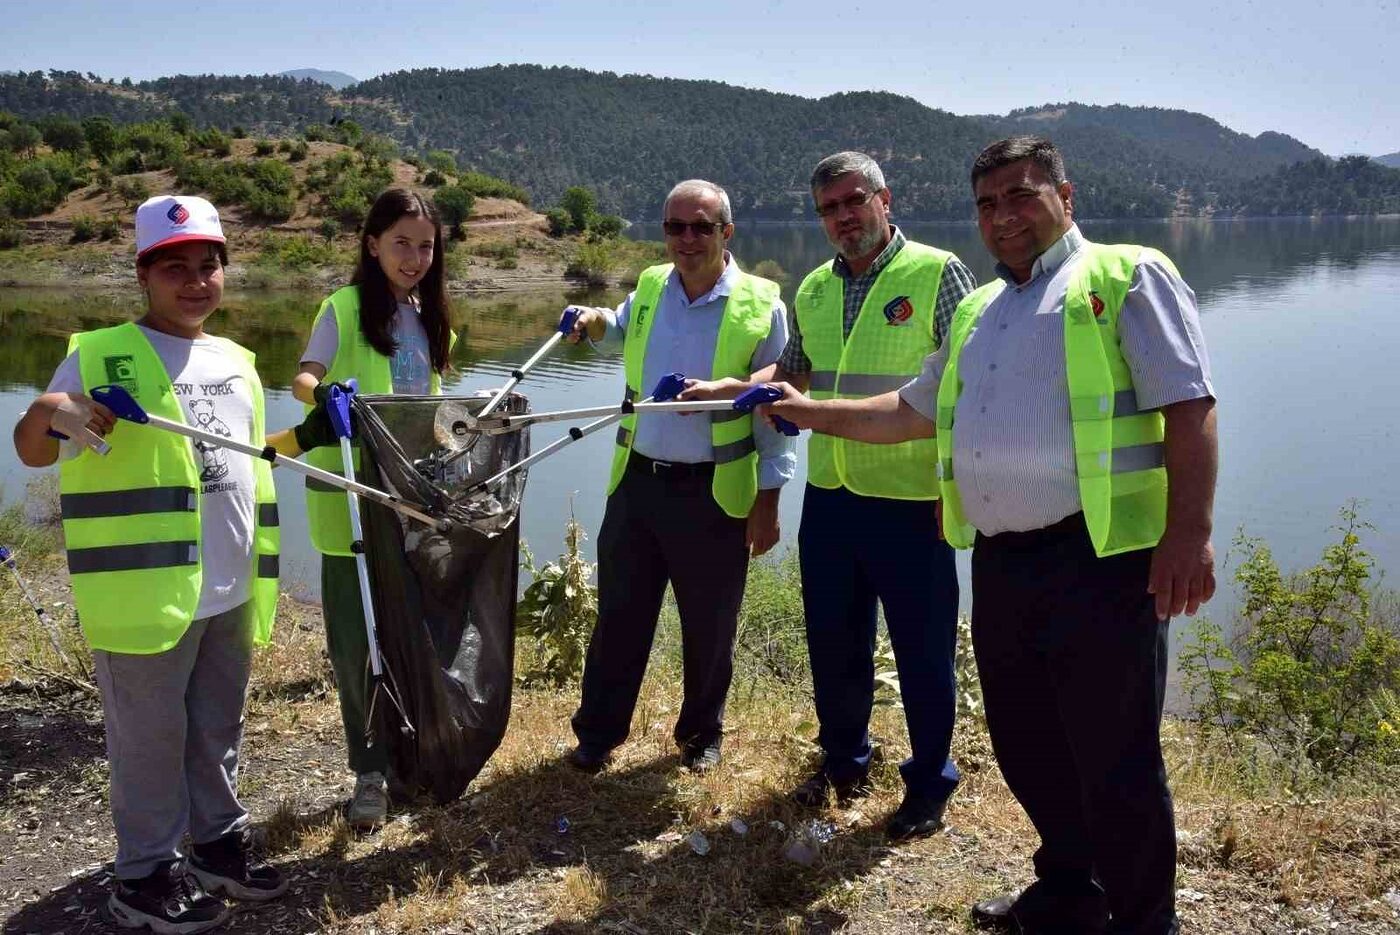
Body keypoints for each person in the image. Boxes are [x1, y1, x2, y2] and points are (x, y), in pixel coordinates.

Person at [759, 137, 1217, 935]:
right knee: (1026, 741)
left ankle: (1146, 921)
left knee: (1118, 759)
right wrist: (797, 409)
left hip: (1104, 562)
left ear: (1064, 196)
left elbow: (1189, 405)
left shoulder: (1125, 275)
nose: (1002, 216)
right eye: (986, 203)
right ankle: (1069, 890)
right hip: (1004, 560)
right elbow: (907, 410)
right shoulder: (979, 310)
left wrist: (1189, 533)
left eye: (1020, 194)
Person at [13, 195, 342, 934]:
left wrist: (312, 431)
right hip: (143, 594)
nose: (196, 282)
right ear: (144, 275)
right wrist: (49, 409)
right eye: (176, 268)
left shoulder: (236, 361)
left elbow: (254, 459)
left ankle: (216, 848)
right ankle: (142, 876)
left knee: (216, 725)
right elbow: (34, 446)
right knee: (148, 738)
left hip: (229, 583)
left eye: (209, 266)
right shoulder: (97, 353)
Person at [682, 152, 976, 840]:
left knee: (922, 651)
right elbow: (793, 375)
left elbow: (966, 389)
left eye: (853, 202)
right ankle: (845, 760)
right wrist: (732, 390)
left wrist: (956, 486)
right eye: (829, 209)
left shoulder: (938, 272)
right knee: (834, 643)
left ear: (884, 198)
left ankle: (930, 781)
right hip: (834, 500)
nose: (843, 219)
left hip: (914, 501)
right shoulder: (813, 287)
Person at [560, 179, 794, 773]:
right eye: (674, 227)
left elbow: (776, 405)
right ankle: (598, 733)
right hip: (638, 485)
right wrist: (591, 319)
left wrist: (769, 497)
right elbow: (619, 323)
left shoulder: (762, 304)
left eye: (701, 227)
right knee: (620, 614)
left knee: (709, 625)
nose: (686, 239)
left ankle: (699, 737)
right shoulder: (649, 286)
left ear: (726, 233)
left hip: (714, 492)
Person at [293, 187, 455, 831]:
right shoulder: (343, 307)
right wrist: (326, 393)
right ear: (372, 245)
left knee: (411, 632)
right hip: (354, 502)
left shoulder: (432, 314)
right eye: (401, 244)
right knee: (358, 644)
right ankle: (369, 770)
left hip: (413, 498)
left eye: (425, 245)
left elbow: (434, 403)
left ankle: (414, 755)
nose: (414, 258)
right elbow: (303, 376)